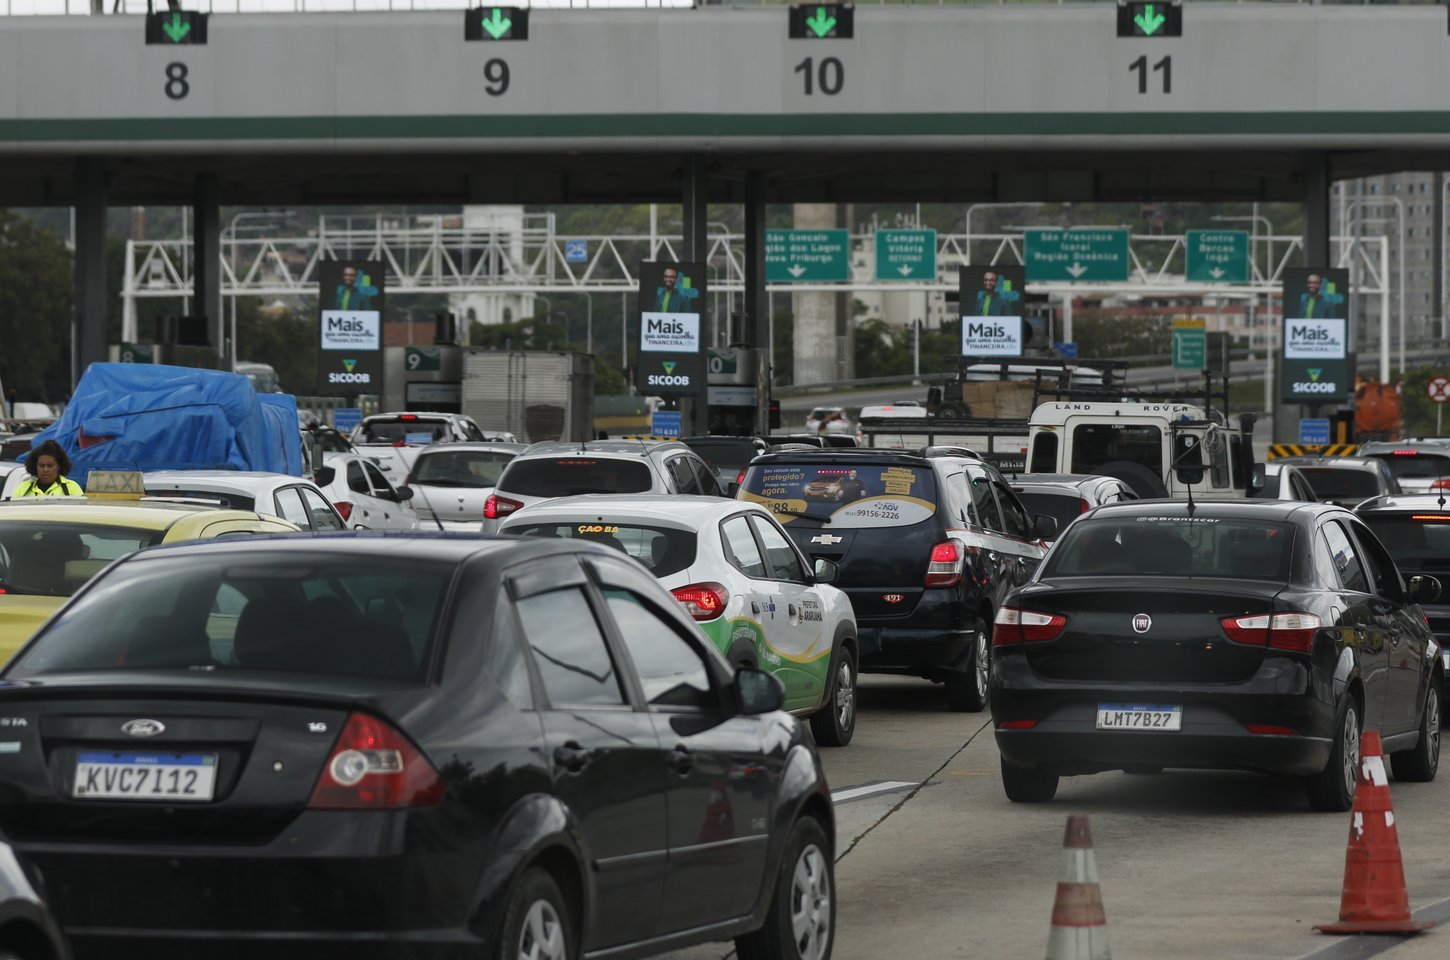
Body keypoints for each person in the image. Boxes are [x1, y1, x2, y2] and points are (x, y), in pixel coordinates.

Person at [11, 440, 83, 498]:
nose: (45, 469)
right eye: (41, 466)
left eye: (50, 466)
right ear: (35, 466)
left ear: (59, 466)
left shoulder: (72, 488)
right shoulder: (23, 488)